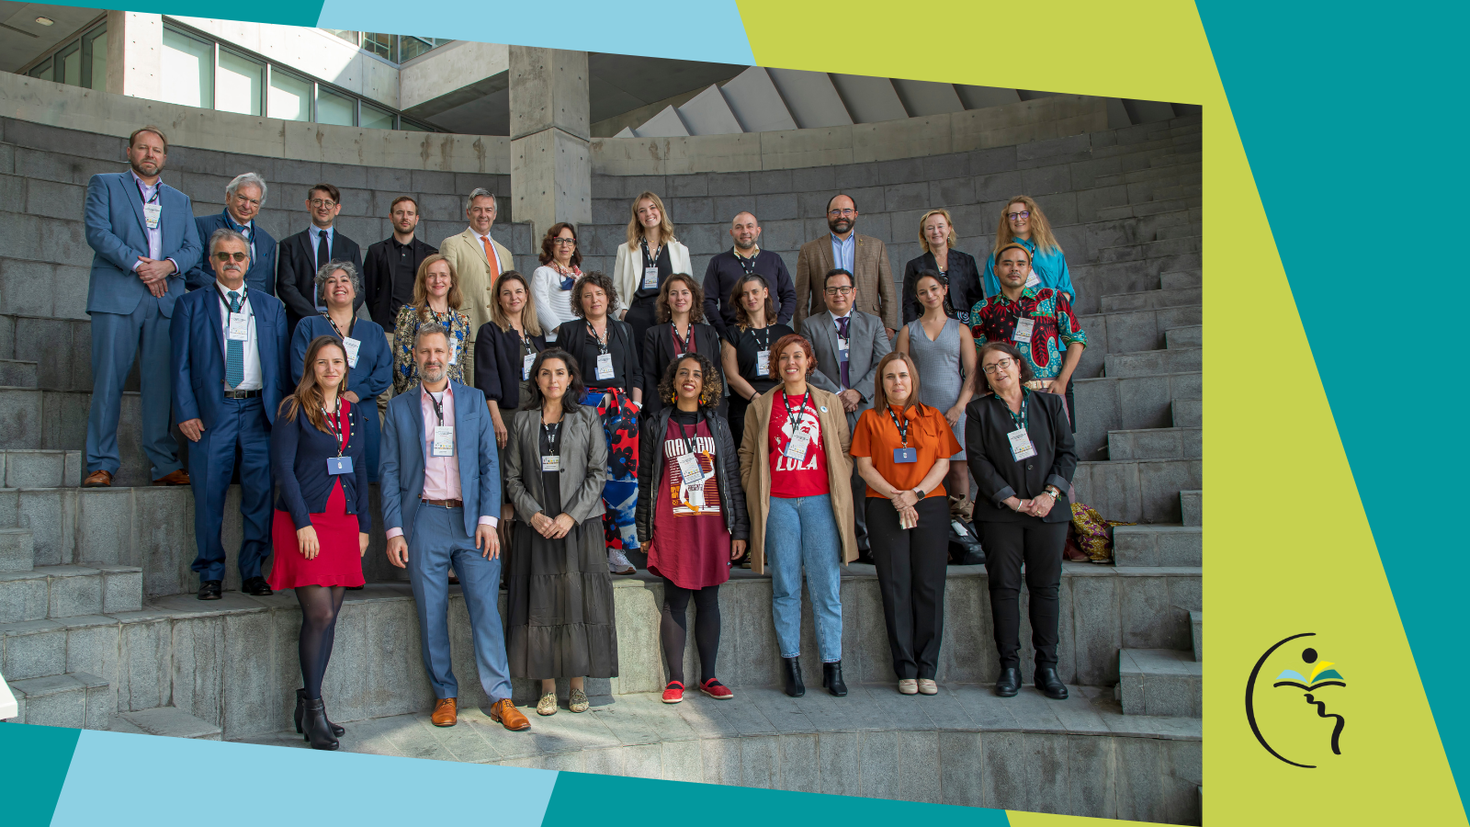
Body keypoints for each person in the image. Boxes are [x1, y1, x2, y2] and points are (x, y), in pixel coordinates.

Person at [380, 324, 528, 731]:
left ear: (450, 354)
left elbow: (487, 463)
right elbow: (389, 472)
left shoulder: (473, 399)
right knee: (431, 612)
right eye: (424, 352)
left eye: (438, 351)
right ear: (414, 355)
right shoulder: (399, 407)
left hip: (471, 521)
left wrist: (488, 520)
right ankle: (445, 694)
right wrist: (394, 530)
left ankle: (500, 697)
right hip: (424, 519)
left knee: (485, 608)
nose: (432, 358)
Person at [171, 228, 289, 600]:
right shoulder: (191, 304)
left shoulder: (270, 307)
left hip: (259, 411)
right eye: (224, 256)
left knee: (260, 494)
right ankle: (210, 572)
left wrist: (283, 415)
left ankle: (253, 570)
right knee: (209, 494)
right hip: (212, 411)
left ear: (248, 261)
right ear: (212, 262)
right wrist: (186, 412)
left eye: (238, 256)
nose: (231, 262)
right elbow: (179, 366)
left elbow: (281, 367)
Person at [738, 334, 857, 699]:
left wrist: (838, 479)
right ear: (776, 364)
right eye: (784, 357)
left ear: (809, 361)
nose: (791, 362)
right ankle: (792, 665)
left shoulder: (827, 402)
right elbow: (746, 454)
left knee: (826, 587)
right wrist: (754, 487)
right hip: (780, 505)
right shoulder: (761, 406)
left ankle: (832, 666)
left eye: (798, 356)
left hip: (821, 501)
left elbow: (844, 449)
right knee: (786, 586)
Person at [82, 125, 201, 488]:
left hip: (165, 301)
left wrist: (166, 266)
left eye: (157, 150)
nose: (150, 154)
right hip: (117, 296)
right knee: (108, 381)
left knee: (160, 385)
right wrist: (141, 266)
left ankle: (163, 463)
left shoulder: (180, 200)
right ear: (129, 151)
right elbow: (98, 232)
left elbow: (193, 248)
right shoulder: (104, 184)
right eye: (143, 148)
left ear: (165, 158)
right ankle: (100, 463)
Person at [268, 336, 370, 750]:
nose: (331, 369)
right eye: (323, 362)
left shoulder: (352, 411)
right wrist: (302, 523)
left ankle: (309, 705)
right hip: (303, 523)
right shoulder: (294, 409)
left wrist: (363, 525)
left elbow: (360, 468)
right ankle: (314, 709)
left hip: (343, 522)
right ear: (311, 366)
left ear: (346, 367)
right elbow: (283, 470)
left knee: (332, 616)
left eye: (337, 362)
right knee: (321, 614)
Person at [503, 350, 618, 716]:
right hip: (535, 529)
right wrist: (533, 515)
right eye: (546, 374)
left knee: (578, 600)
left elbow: (598, 472)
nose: (553, 380)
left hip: (578, 527)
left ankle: (578, 686)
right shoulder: (522, 421)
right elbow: (512, 478)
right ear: (536, 379)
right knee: (541, 605)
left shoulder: (587, 417)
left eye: (560, 373)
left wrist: (570, 516)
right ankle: (547, 686)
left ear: (570, 379)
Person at [966, 341, 1076, 701]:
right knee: (1004, 588)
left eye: (1003, 364)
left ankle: (1047, 667)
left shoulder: (1049, 403)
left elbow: (1067, 453)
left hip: (1049, 513)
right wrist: (1012, 501)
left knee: (1046, 589)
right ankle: (1009, 666)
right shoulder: (979, 411)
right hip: (1001, 516)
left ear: (1018, 364)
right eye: (990, 368)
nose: (999, 372)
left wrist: (1050, 495)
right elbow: (979, 462)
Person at [636, 353, 747, 703]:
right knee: (676, 600)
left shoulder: (717, 424)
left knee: (709, 600)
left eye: (696, 374)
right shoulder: (656, 424)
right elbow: (646, 479)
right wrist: (644, 530)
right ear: (673, 381)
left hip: (712, 525)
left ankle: (709, 677)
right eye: (682, 372)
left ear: (705, 384)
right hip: (673, 527)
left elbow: (730, 475)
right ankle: (675, 679)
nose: (689, 378)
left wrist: (739, 529)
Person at [850, 352, 960, 696]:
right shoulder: (869, 418)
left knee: (929, 585)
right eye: (890, 377)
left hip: (930, 505)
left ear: (913, 380)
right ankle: (906, 669)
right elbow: (864, 468)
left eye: (903, 376)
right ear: (881, 383)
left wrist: (915, 494)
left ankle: (928, 668)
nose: (898, 382)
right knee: (896, 587)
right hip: (884, 505)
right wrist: (898, 496)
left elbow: (944, 464)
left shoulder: (934, 417)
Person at [553, 272, 644, 575]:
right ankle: (585, 548)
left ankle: (616, 551)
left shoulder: (624, 329)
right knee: (584, 476)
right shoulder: (570, 330)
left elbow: (635, 370)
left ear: (609, 297)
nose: (595, 300)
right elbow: (563, 374)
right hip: (584, 411)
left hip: (622, 414)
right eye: (588, 295)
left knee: (621, 479)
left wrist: (635, 406)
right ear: (580, 301)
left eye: (600, 294)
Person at [801, 268, 892, 557]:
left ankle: (866, 542)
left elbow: (884, 363)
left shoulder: (873, 323)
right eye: (831, 290)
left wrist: (858, 392)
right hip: (829, 410)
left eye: (844, 289)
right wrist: (836, 396)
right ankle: (838, 540)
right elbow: (808, 366)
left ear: (854, 292)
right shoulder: (810, 325)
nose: (838, 295)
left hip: (866, 409)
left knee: (866, 476)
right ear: (823, 295)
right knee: (833, 475)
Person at [290, 262, 393, 481]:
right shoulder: (308, 326)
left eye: (345, 280)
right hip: (320, 413)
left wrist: (358, 393)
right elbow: (299, 369)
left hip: (363, 413)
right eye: (331, 281)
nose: (339, 285)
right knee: (324, 479)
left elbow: (384, 371)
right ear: (322, 293)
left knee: (367, 482)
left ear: (355, 290)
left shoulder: (373, 330)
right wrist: (328, 397)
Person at [971, 244, 1087, 432]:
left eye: (1021, 264)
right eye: (1007, 264)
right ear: (996, 270)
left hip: (1049, 391)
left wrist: (1063, 381)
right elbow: (978, 354)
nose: (1014, 268)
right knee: (1012, 457)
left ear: (1029, 269)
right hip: (1006, 396)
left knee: (1059, 453)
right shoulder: (983, 309)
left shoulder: (1052, 298)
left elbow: (1076, 339)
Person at [897, 270, 977, 521]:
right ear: (917, 297)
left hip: (955, 409)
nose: (929, 295)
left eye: (934, 289)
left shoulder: (961, 329)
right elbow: (900, 374)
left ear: (944, 290)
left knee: (958, 470)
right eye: (923, 292)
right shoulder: (908, 331)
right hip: (920, 411)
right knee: (922, 470)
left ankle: (963, 529)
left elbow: (973, 373)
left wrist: (959, 406)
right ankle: (930, 526)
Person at [473, 271, 548, 532]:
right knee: (507, 481)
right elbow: (486, 379)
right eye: (506, 292)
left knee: (531, 476)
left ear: (527, 296)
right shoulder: (490, 332)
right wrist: (495, 420)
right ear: (498, 299)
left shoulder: (536, 333)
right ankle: (506, 561)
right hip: (506, 414)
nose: (513, 297)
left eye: (518, 291)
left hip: (536, 413)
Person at [438, 188, 513, 383]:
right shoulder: (452, 244)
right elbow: (445, 288)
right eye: (478, 209)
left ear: (494, 214)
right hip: (469, 332)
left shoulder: (504, 253)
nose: (483, 215)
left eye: (488, 210)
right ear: (468, 212)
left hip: (501, 331)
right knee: (471, 390)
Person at [793, 194, 895, 333]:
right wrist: (801, 331)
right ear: (827, 215)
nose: (841, 215)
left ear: (855, 214)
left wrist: (889, 325)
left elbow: (887, 289)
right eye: (835, 211)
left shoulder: (876, 246)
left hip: (868, 323)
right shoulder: (810, 250)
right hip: (824, 326)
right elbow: (801, 297)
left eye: (847, 211)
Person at [720, 274, 794, 453]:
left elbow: (793, 371)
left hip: (781, 405)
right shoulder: (732, 334)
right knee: (749, 462)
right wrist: (759, 400)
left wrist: (774, 402)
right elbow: (731, 377)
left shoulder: (785, 332)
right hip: (746, 407)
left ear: (766, 293)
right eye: (744, 294)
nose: (750, 298)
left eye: (755, 292)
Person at [276, 183, 363, 335]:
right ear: (308, 205)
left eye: (329, 203)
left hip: (341, 325)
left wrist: (338, 314)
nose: (323, 207)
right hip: (300, 322)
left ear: (337, 209)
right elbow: (285, 286)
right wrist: (315, 318)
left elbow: (360, 288)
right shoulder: (290, 244)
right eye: (317, 202)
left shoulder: (351, 247)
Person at [610, 191, 692, 347]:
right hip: (637, 316)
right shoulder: (625, 250)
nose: (648, 213)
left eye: (652, 207)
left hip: (669, 314)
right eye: (642, 210)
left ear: (660, 211)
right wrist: (624, 314)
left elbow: (688, 288)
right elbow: (616, 288)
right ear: (637, 217)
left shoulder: (680, 250)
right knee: (641, 366)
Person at [701, 211, 796, 339]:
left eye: (750, 226)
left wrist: (779, 324)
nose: (745, 231)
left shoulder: (774, 260)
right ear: (731, 232)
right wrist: (724, 331)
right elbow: (707, 300)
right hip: (736, 334)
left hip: (771, 332)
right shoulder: (718, 262)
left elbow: (789, 295)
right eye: (739, 227)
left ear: (758, 230)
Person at [640, 273, 723, 416]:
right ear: (666, 299)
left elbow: (716, 378)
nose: (680, 298)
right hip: (667, 412)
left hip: (704, 413)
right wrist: (658, 417)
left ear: (693, 297)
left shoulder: (709, 333)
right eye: (674, 293)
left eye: (685, 292)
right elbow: (650, 380)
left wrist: (715, 416)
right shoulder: (653, 334)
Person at [186, 172, 276, 297]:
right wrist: (226, 292)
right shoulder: (202, 226)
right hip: (212, 304)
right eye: (242, 198)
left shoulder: (268, 241)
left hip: (252, 311)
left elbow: (268, 287)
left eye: (254, 201)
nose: (247, 206)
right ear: (228, 197)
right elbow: (192, 272)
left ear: (259, 206)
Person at [392, 254, 471, 397]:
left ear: (451, 281)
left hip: (454, 394)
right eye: (431, 275)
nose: (438, 280)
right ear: (423, 281)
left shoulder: (463, 321)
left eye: (443, 275)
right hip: (418, 393)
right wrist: (407, 394)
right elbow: (401, 364)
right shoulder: (410, 315)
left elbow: (460, 365)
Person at [981, 196, 1076, 302]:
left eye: (1024, 214)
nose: (1018, 219)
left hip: (1050, 316)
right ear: (1007, 221)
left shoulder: (1052, 252)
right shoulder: (997, 257)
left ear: (1033, 217)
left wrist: (1049, 313)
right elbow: (995, 298)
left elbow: (1066, 292)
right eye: (1012, 215)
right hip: (1014, 316)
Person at [364, 195, 438, 330]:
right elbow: (369, 291)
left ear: (416, 219)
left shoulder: (430, 253)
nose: (405, 217)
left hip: (421, 328)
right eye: (399, 213)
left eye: (410, 213)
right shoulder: (376, 251)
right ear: (391, 217)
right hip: (386, 327)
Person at [901, 208, 981, 326]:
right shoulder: (914, 265)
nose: (935, 231)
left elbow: (976, 298)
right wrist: (911, 331)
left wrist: (977, 327)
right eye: (930, 228)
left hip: (964, 324)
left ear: (949, 229)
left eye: (940, 226)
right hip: (929, 324)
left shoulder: (966, 261)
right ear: (923, 233)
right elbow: (909, 304)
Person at [530, 222, 582, 342]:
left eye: (569, 241)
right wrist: (565, 333)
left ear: (574, 247)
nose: (564, 245)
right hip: (556, 340)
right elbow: (539, 307)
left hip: (580, 339)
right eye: (559, 240)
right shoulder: (542, 273)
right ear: (551, 246)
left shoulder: (581, 277)